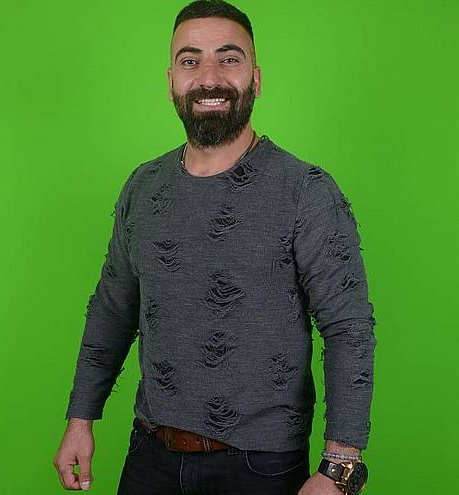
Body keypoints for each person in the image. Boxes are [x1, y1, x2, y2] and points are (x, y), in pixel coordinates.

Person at [53, 1, 377, 494]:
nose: (209, 77)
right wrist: (81, 418)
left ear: (256, 79)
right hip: (150, 457)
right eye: (191, 60)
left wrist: (339, 468)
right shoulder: (143, 186)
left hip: (262, 468)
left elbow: (348, 327)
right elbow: (112, 310)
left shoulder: (305, 190)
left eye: (229, 59)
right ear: (171, 82)